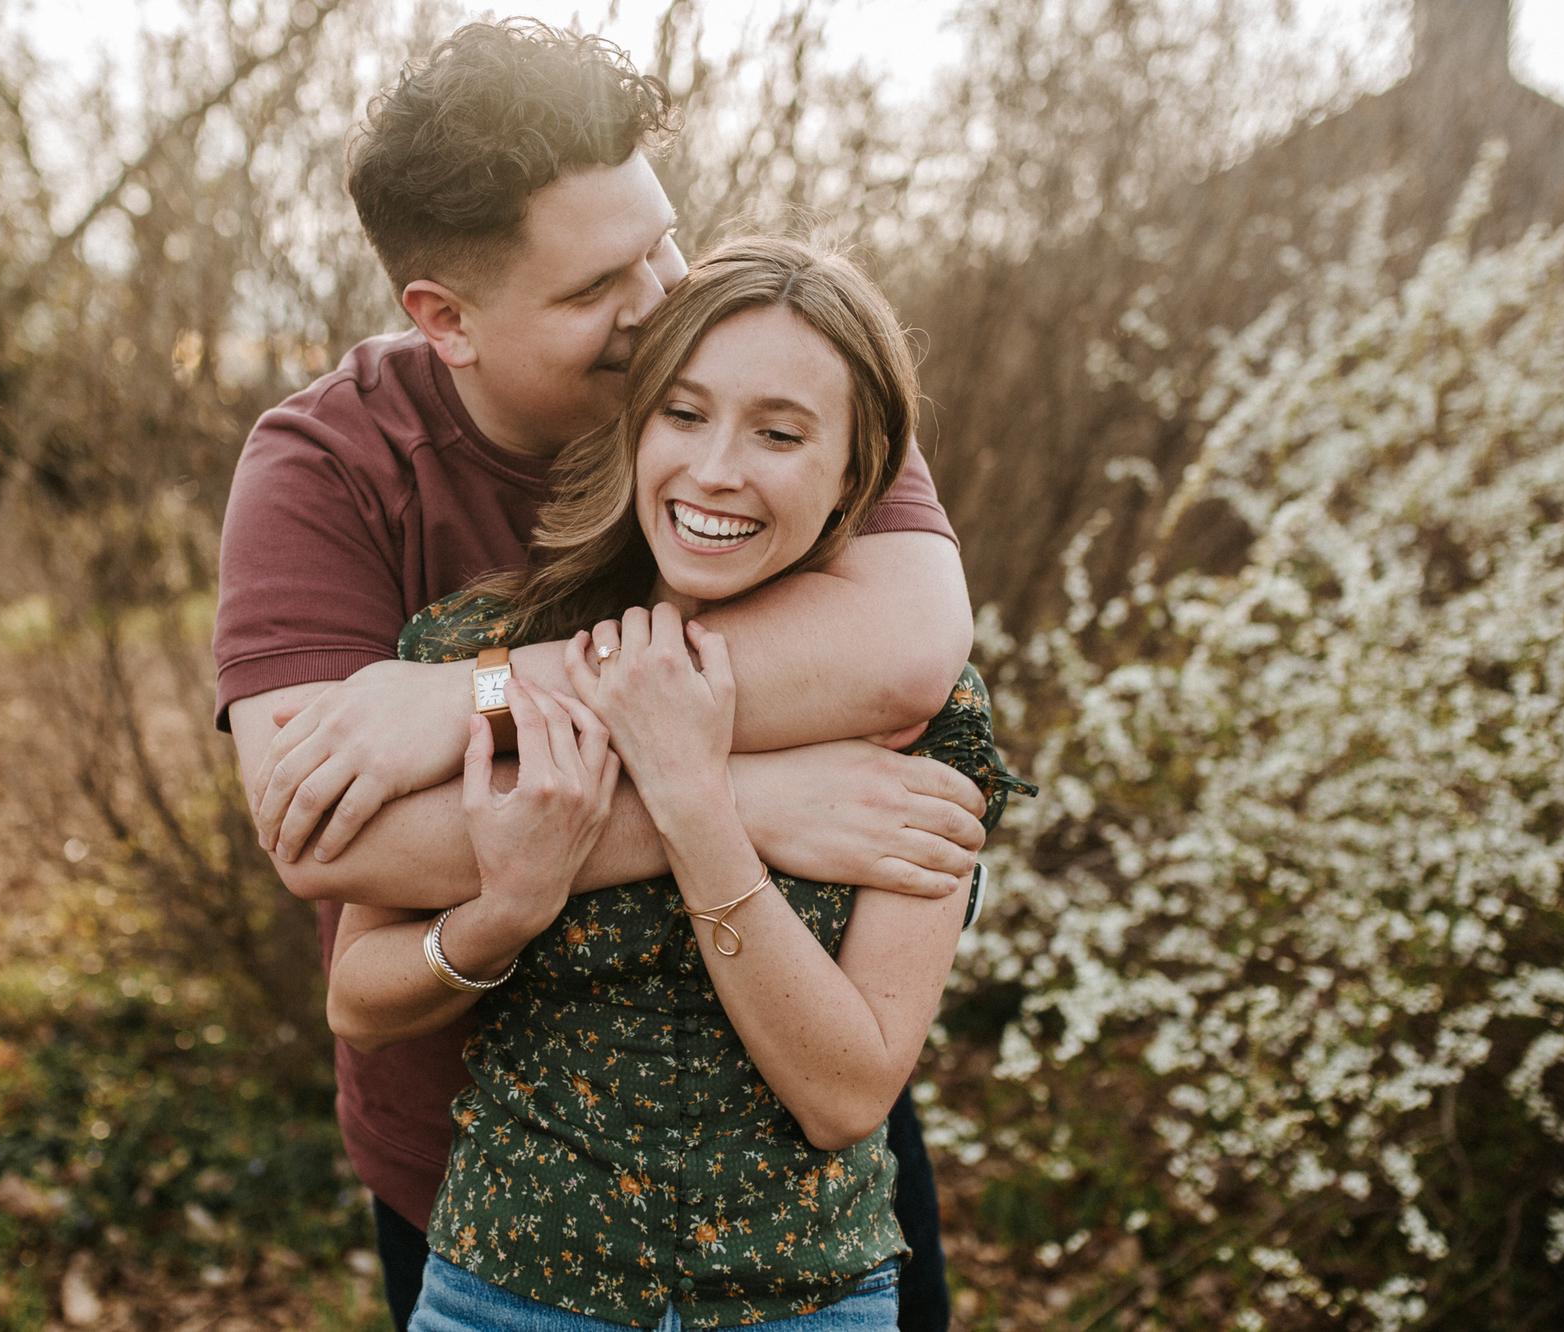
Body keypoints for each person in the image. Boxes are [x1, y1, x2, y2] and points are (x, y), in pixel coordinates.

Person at [212, 21, 984, 1330]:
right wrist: (739, 805)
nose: (662, 299)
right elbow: (329, 834)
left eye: (660, 242)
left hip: (800, 1184)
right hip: (485, 1201)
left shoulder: (762, 370)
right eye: (596, 287)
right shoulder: (329, 470)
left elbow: (908, 648)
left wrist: (475, 696)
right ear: (444, 318)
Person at [326, 237, 1034, 1331]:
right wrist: (504, 911)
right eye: (685, 414)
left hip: (801, 1306)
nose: (714, 470)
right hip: (502, 1296)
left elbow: (846, 1095)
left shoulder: (920, 717)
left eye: (779, 434)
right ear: (637, 425)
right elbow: (357, 1001)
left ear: (855, 476)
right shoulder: (484, 654)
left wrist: (696, 804)